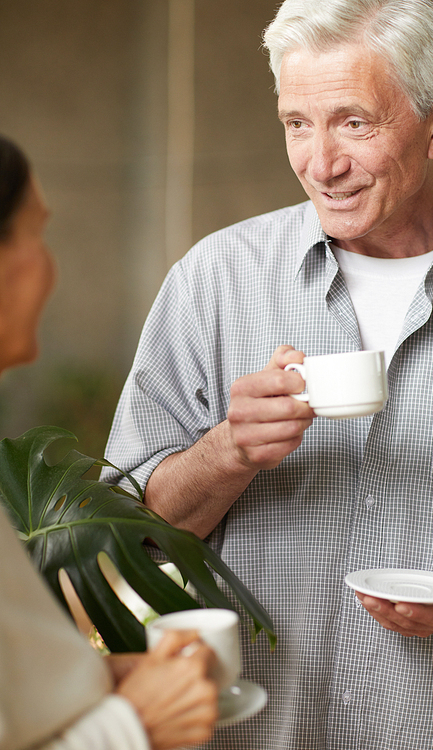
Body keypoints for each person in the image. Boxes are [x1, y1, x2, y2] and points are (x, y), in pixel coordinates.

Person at [102, 0, 433, 747]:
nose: (321, 164)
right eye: (296, 123)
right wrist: (228, 450)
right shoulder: (212, 281)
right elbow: (130, 538)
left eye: (354, 122)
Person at [0, 134, 219, 750]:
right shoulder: (207, 275)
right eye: (36, 234)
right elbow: (139, 513)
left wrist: (102, 682)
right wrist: (134, 725)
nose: (50, 266)